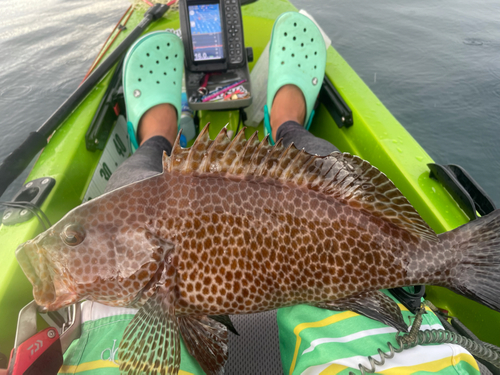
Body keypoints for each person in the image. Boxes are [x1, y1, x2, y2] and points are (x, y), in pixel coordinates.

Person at [59, 12, 481, 375]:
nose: (68, 245)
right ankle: (286, 123)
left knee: (134, 183)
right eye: (74, 238)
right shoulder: (153, 279)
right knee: (318, 163)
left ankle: (155, 138)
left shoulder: (146, 275)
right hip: (370, 347)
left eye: (74, 237)